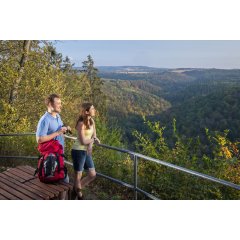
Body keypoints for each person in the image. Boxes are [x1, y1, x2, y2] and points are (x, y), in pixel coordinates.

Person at [36, 93, 71, 184]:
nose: (60, 105)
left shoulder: (58, 116)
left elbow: (58, 128)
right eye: (58, 103)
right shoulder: (45, 120)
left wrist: (65, 128)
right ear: (50, 105)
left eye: (60, 103)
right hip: (51, 158)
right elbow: (39, 139)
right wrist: (58, 132)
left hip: (59, 155)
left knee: (60, 182)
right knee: (64, 182)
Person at [71, 102, 100, 200]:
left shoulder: (92, 121)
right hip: (78, 151)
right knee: (78, 176)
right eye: (92, 109)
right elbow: (83, 141)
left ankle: (75, 189)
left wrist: (91, 145)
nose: (94, 110)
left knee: (92, 174)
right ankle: (79, 196)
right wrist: (92, 141)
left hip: (86, 151)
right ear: (87, 112)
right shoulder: (81, 123)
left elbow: (94, 135)